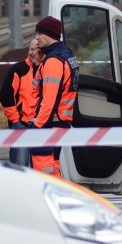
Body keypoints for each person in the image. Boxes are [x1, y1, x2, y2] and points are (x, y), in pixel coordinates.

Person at [30, 16, 80, 177]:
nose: (37, 38)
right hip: (59, 123)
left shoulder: (53, 61)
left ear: (48, 34)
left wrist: (37, 127)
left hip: (48, 125)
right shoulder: (66, 55)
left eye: (39, 33)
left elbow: (49, 101)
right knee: (53, 168)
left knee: (44, 174)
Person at [0, 38, 42, 167]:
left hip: (40, 127)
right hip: (21, 127)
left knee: (41, 169)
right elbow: (5, 95)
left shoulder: (47, 70)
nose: (33, 53)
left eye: (37, 50)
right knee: (19, 168)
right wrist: (16, 122)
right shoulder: (18, 69)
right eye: (31, 49)